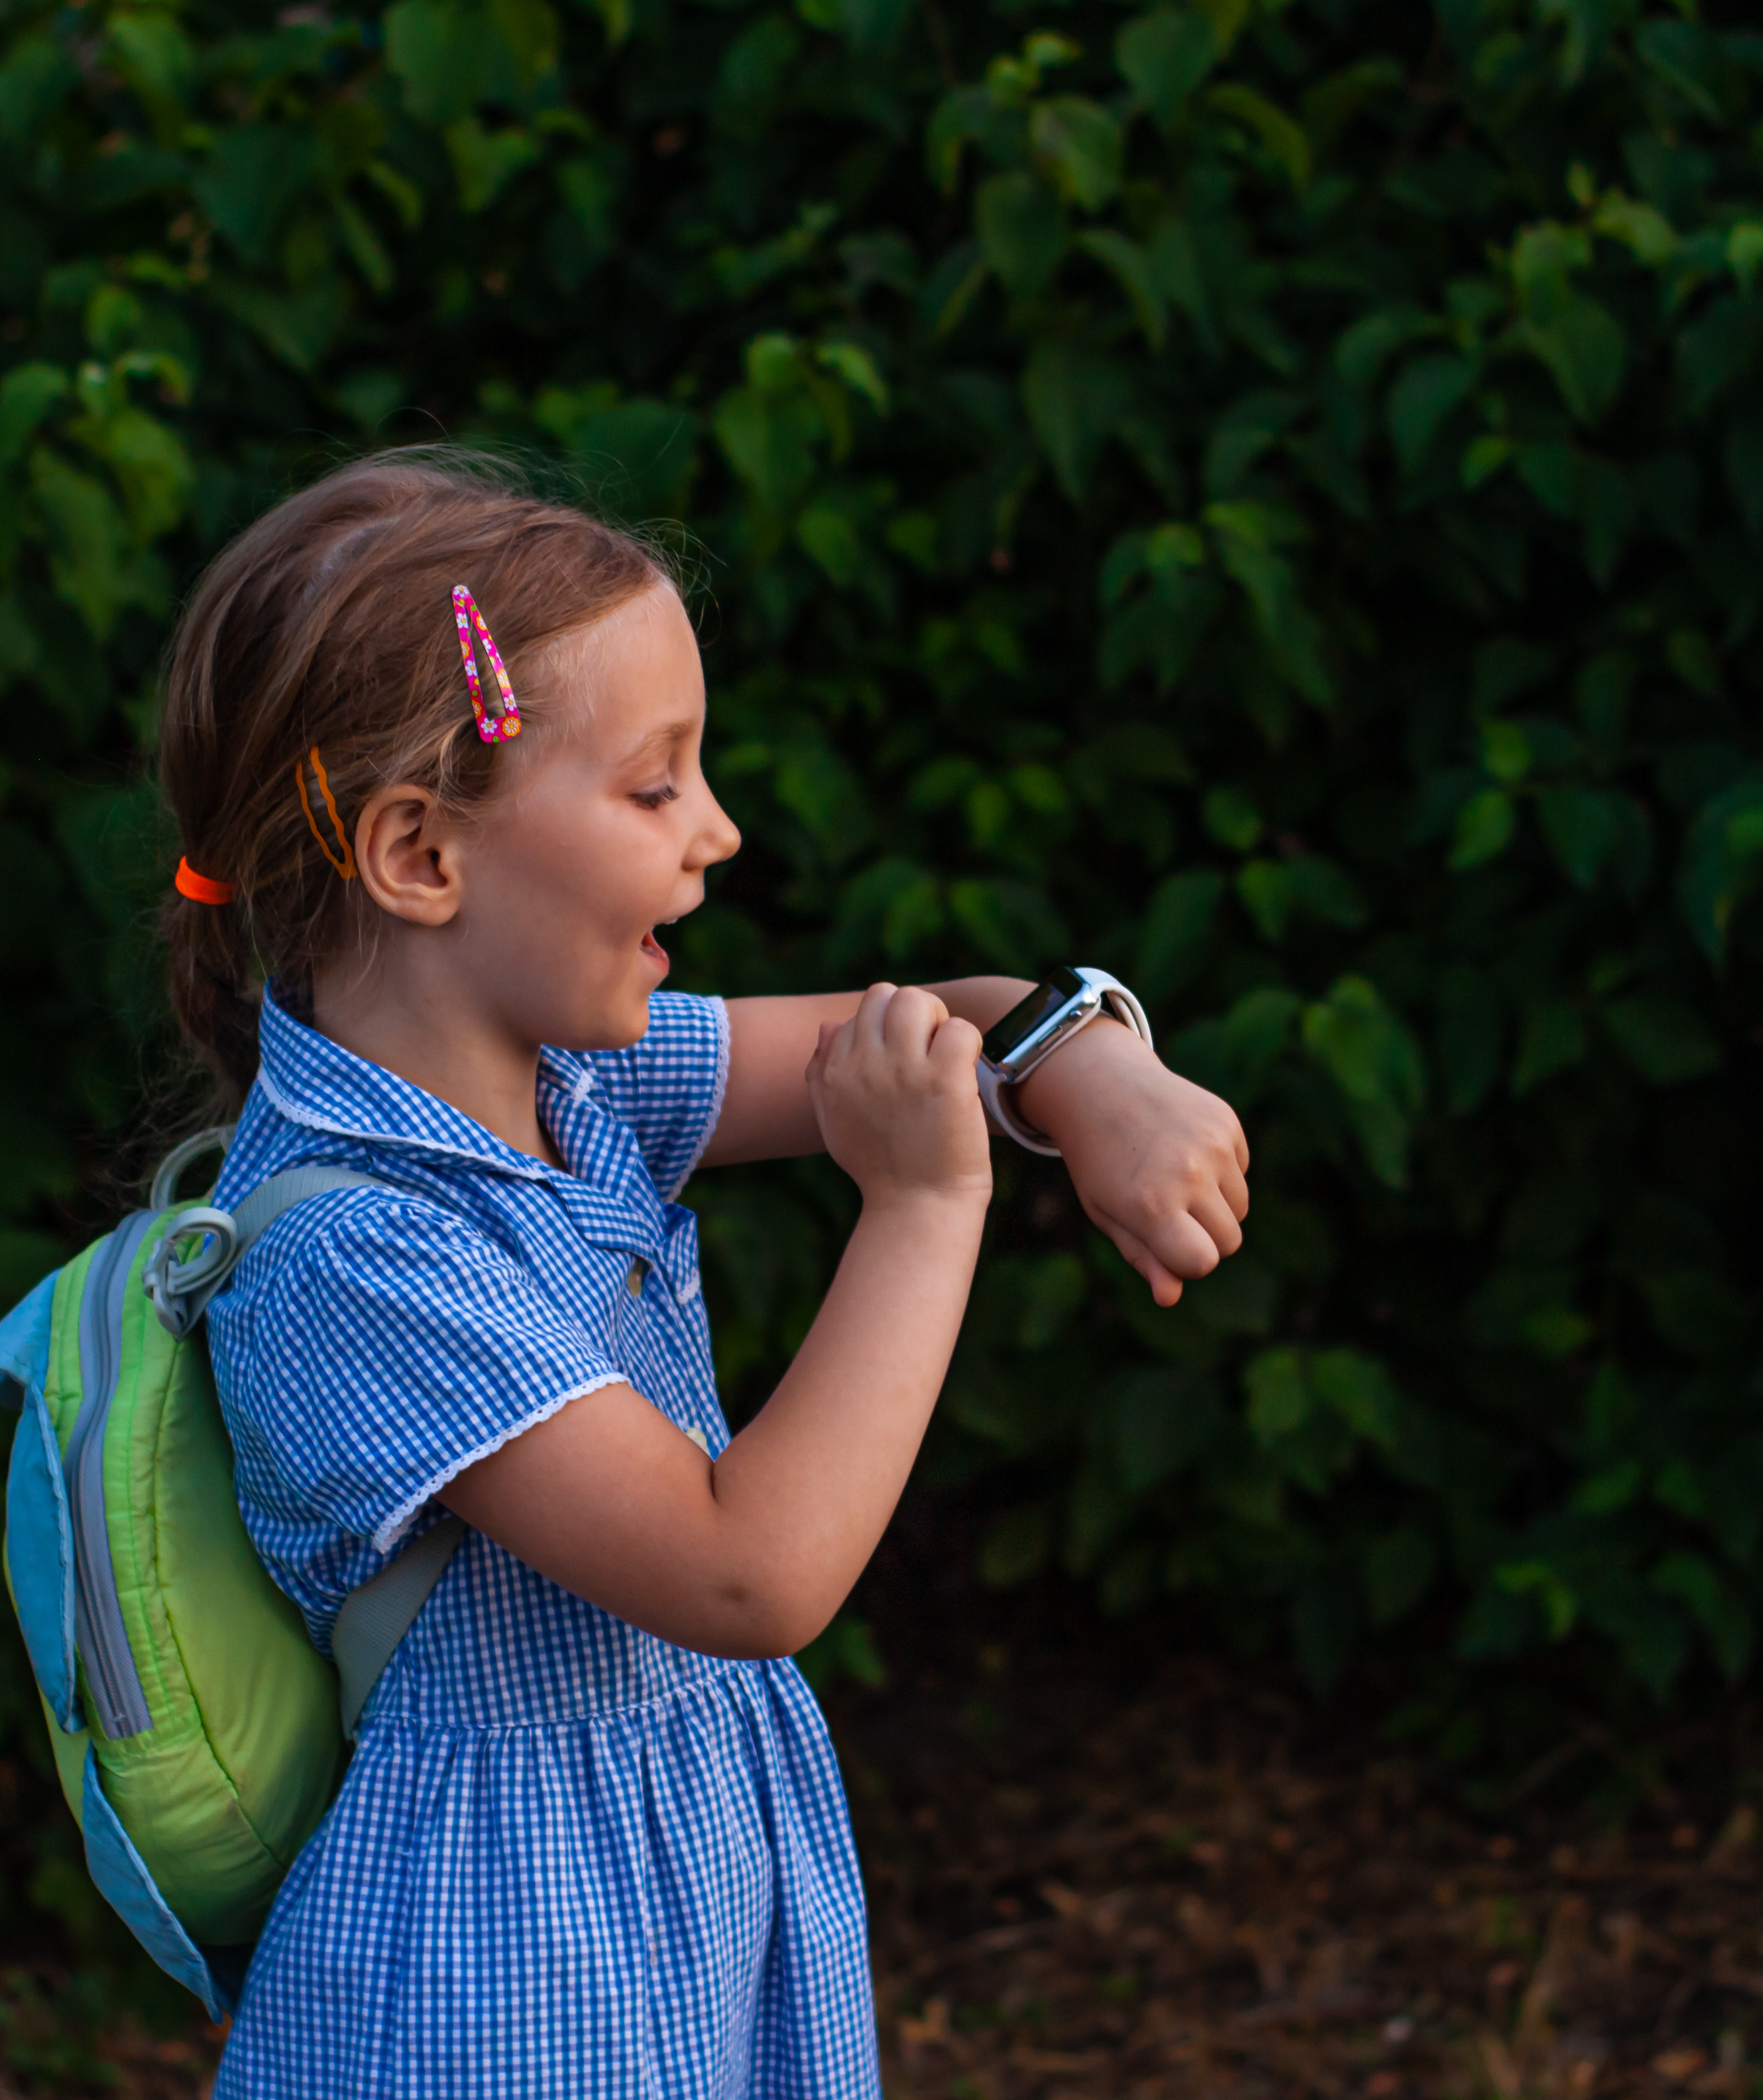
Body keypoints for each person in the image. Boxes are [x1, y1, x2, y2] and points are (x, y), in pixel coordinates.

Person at [154, 448, 1251, 2097]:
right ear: (420, 856)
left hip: (663, 1914)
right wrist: (927, 1205)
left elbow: (917, 1036)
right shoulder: (358, 1251)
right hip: (500, 1985)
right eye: (657, 786)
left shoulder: (570, 1084)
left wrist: (1095, 1066)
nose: (718, 834)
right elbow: (751, 1578)